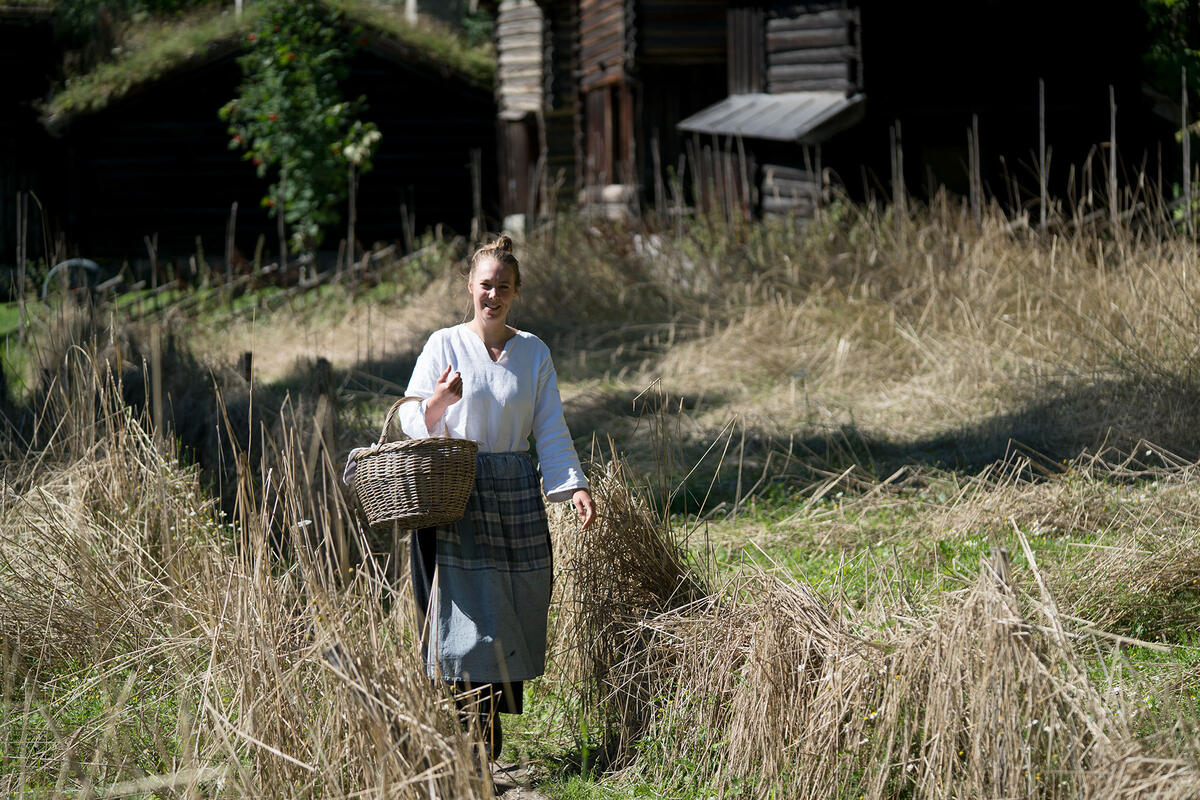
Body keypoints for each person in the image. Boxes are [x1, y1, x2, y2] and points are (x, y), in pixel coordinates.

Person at [397, 235, 596, 761]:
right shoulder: (444, 344)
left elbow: (549, 426)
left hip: (513, 499)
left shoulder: (533, 352)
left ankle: (483, 740)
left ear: (516, 292)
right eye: (485, 285)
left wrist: (572, 484)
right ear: (470, 287)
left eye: (502, 287)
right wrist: (438, 402)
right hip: (454, 497)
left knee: (508, 613)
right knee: (463, 624)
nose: (493, 295)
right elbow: (409, 417)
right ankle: (475, 742)